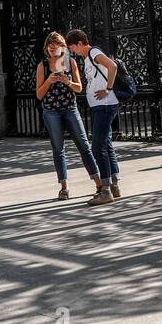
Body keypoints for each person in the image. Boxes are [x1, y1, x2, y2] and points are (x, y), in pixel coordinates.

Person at [36, 32, 105, 201]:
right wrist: (49, 81)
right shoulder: (42, 66)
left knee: (84, 145)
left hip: (69, 108)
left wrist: (68, 82)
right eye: (50, 50)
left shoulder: (69, 61)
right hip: (51, 111)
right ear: (46, 49)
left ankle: (99, 183)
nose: (53, 53)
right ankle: (64, 187)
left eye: (56, 49)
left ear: (63, 48)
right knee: (58, 149)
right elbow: (39, 94)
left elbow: (79, 88)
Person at [65, 29, 121, 205]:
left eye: (73, 47)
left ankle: (105, 190)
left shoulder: (93, 52)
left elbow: (113, 66)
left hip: (105, 105)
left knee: (97, 147)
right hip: (99, 106)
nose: (73, 51)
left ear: (80, 43)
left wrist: (108, 89)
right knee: (106, 144)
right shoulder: (87, 57)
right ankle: (114, 185)